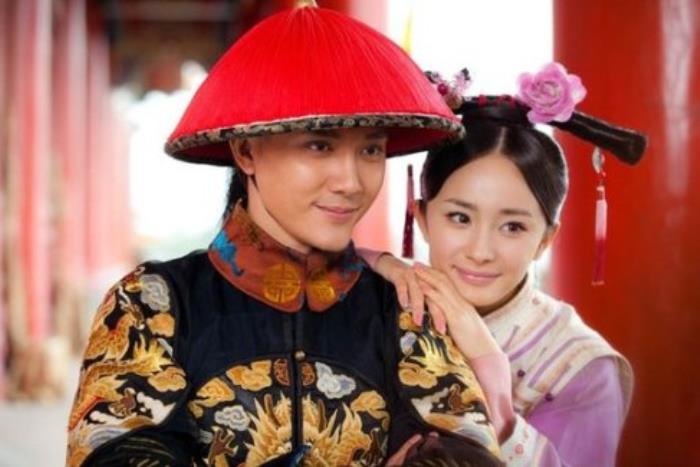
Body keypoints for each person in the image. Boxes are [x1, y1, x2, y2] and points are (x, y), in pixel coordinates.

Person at [66, 2, 503, 466]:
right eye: (319, 145)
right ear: (246, 152)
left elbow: (463, 447)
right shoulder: (150, 304)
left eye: (371, 150)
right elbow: (114, 452)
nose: (352, 182)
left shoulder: (405, 309)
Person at [362, 63, 646, 466]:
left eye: (512, 227)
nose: (481, 251)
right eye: (459, 218)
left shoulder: (579, 367)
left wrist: (493, 388)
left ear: (545, 239)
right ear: (421, 216)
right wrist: (384, 263)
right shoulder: (381, 296)